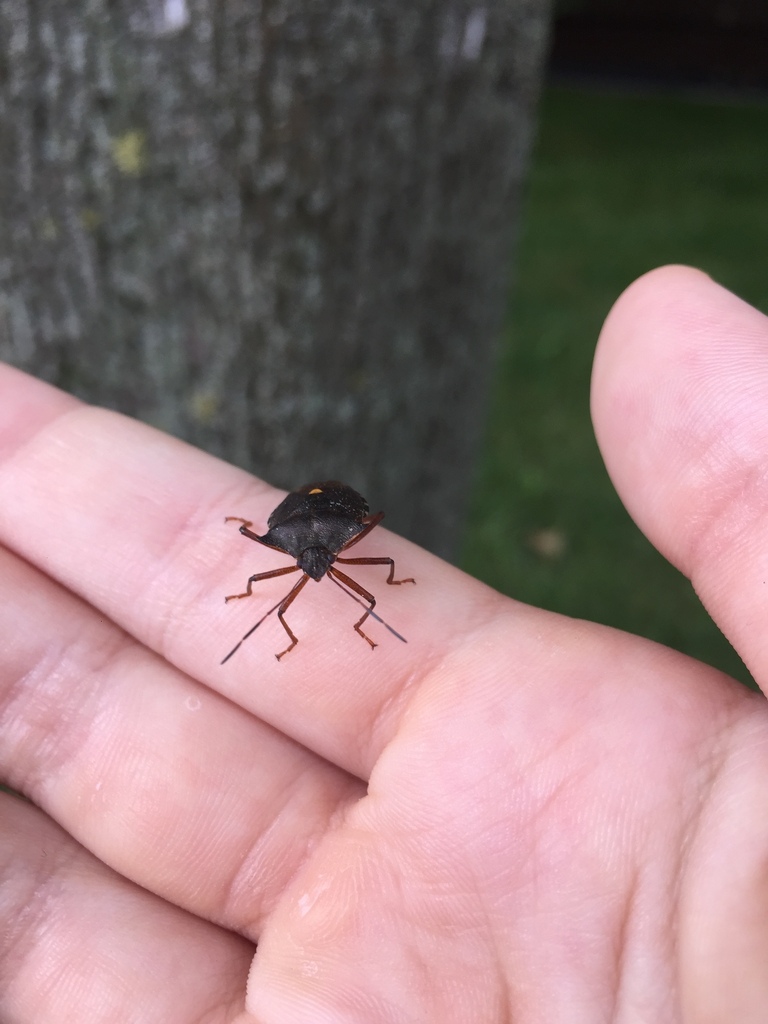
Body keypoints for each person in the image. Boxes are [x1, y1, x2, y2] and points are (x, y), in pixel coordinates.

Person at [2, 265, 767, 1023]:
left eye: (319, 563)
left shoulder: (343, 544)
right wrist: (271, 585)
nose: (315, 572)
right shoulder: (294, 555)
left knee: (365, 594)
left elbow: (359, 539)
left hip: (328, 511)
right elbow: (277, 557)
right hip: (304, 516)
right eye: (311, 564)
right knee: (287, 599)